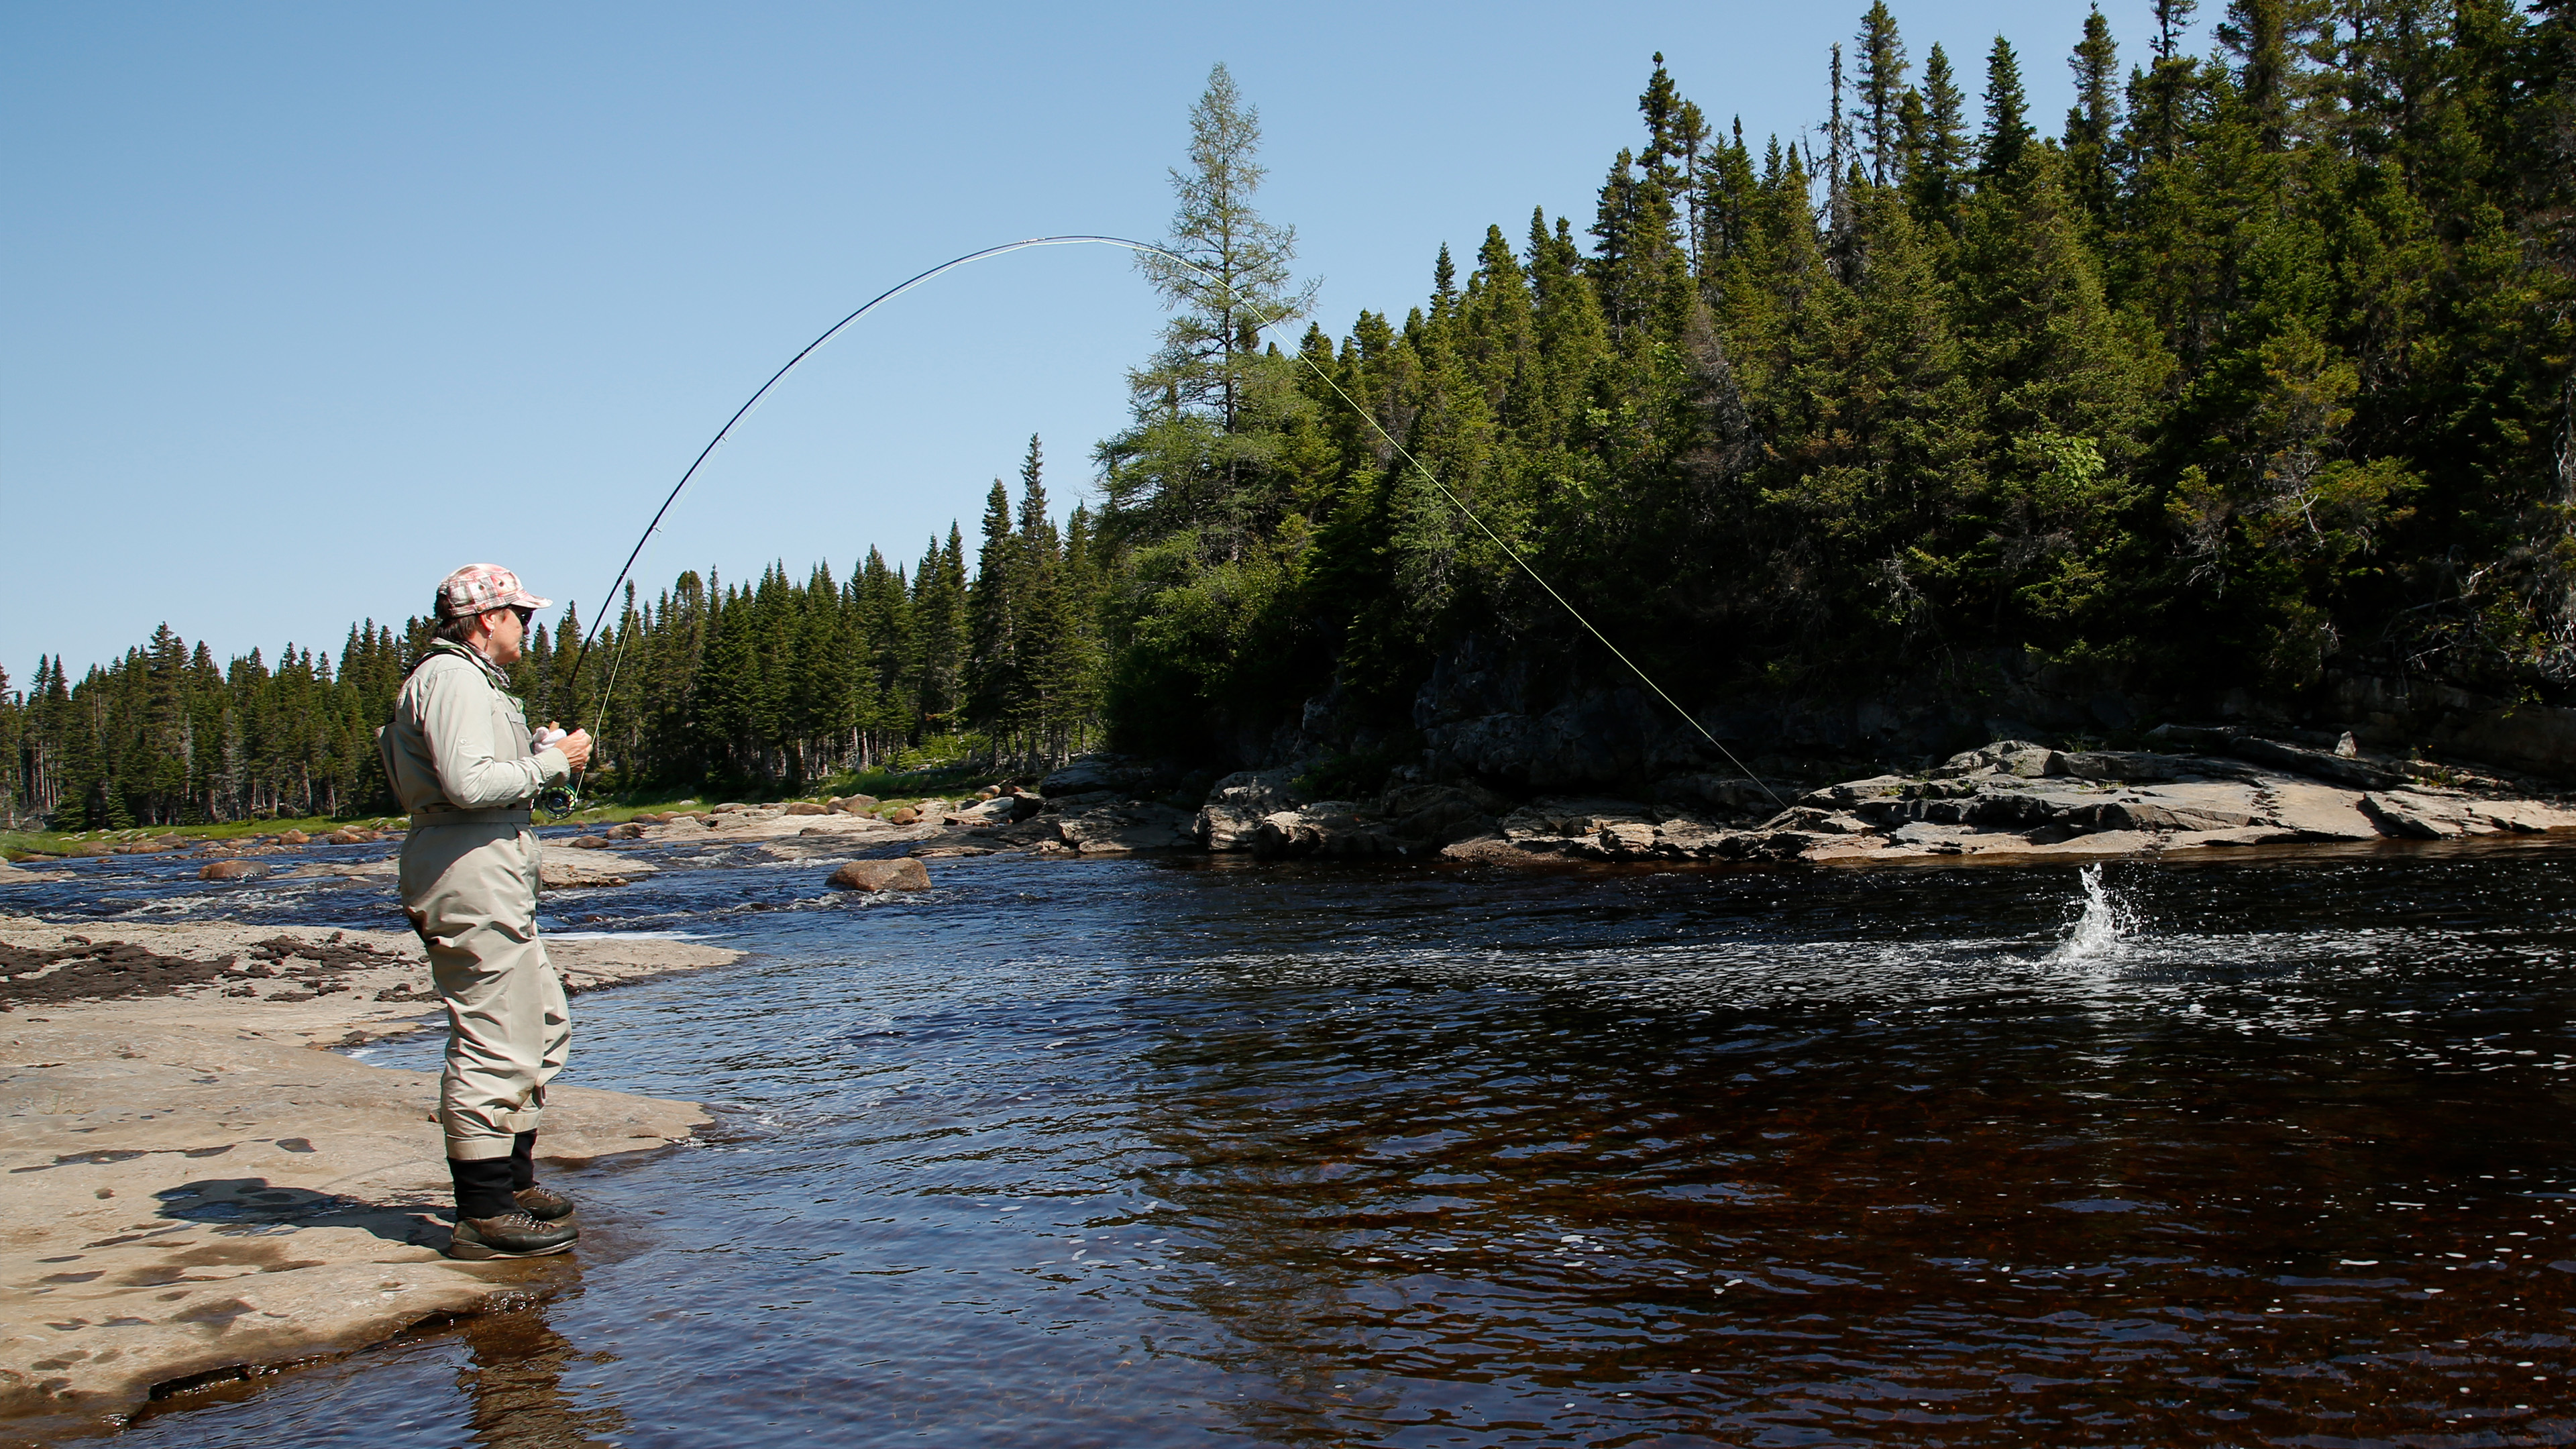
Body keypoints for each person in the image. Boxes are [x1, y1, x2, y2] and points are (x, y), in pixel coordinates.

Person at [380, 563, 595, 1260]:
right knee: (496, 1036)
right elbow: (469, 784)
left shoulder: (470, 682)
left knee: (542, 1022)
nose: (528, 627)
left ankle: (511, 1182)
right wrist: (553, 763)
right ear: (485, 621)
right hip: (467, 868)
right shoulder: (451, 680)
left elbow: (476, 776)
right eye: (520, 616)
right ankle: (483, 1214)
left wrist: (534, 756)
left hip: (485, 863)